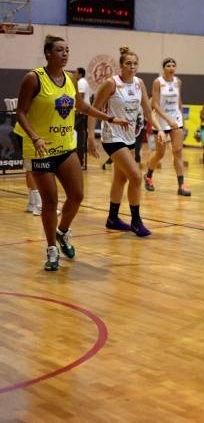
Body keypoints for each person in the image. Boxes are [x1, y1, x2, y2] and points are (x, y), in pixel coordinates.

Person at [14, 35, 127, 270]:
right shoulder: (33, 78)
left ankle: (62, 231)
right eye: (59, 50)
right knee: (50, 201)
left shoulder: (70, 78)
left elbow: (81, 106)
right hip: (41, 149)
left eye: (67, 50)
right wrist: (35, 137)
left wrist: (109, 118)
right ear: (48, 53)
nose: (65, 53)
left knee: (77, 196)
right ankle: (51, 249)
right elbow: (21, 112)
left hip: (65, 146)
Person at [88, 45, 163, 237]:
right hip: (112, 137)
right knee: (136, 177)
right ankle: (136, 221)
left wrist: (159, 129)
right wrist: (90, 136)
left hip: (130, 137)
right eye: (128, 63)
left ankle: (112, 218)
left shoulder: (139, 83)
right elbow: (93, 109)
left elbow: (148, 111)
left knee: (120, 178)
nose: (132, 66)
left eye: (135, 63)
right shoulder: (111, 83)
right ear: (121, 66)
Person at [144, 57, 191, 196]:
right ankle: (148, 176)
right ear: (164, 68)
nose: (171, 68)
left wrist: (182, 120)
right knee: (160, 154)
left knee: (178, 151)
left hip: (176, 120)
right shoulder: (158, 82)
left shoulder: (178, 81)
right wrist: (168, 120)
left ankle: (181, 186)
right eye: (168, 66)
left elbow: (179, 101)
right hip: (161, 121)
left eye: (173, 65)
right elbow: (155, 104)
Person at [74, 67, 91, 167]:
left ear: (80, 74)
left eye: (76, 72)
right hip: (82, 112)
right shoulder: (82, 82)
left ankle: (79, 161)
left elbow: (80, 96)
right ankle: (79, 161)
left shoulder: (81, 82)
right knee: (79, 136)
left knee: (79, 137)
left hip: (81, 113)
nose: (74, 74)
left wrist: (77, 109)